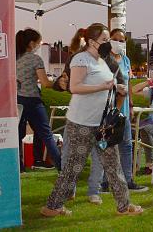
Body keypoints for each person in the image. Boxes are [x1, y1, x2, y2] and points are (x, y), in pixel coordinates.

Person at [41, 23, 143, 217]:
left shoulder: (105, 61)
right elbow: (75, 87)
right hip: (81, 123)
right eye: (105, 40)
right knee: (73, 167)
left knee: (113, 165)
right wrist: (102, 87)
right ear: (91, 41)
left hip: (102, 124)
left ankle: (124, 206)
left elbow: (111, 83)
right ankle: (52, 207)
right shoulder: (81, 59)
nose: (108, 43)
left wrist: (116, 89)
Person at [88, 28, 149, 196]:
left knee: (126, 145)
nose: (119, 43)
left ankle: (128, 180)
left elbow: (127, 82)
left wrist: (130, 105)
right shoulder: (103, 60)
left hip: (123, 111)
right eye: (115, 39)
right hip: (108, 110)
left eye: (122, 40)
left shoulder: (126, 60)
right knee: (108, 146)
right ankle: (107, 182)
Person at [16, 28, 62, 172]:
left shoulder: (15, 58)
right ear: (31, 43)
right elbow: (45, 82)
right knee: (45, 133)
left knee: (18, 134)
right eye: (38, 42)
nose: (39, 45)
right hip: (33, 100)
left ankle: (20, 166)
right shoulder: (35, 59)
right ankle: (61, 165)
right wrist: (59, 83)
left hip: (18, 100)